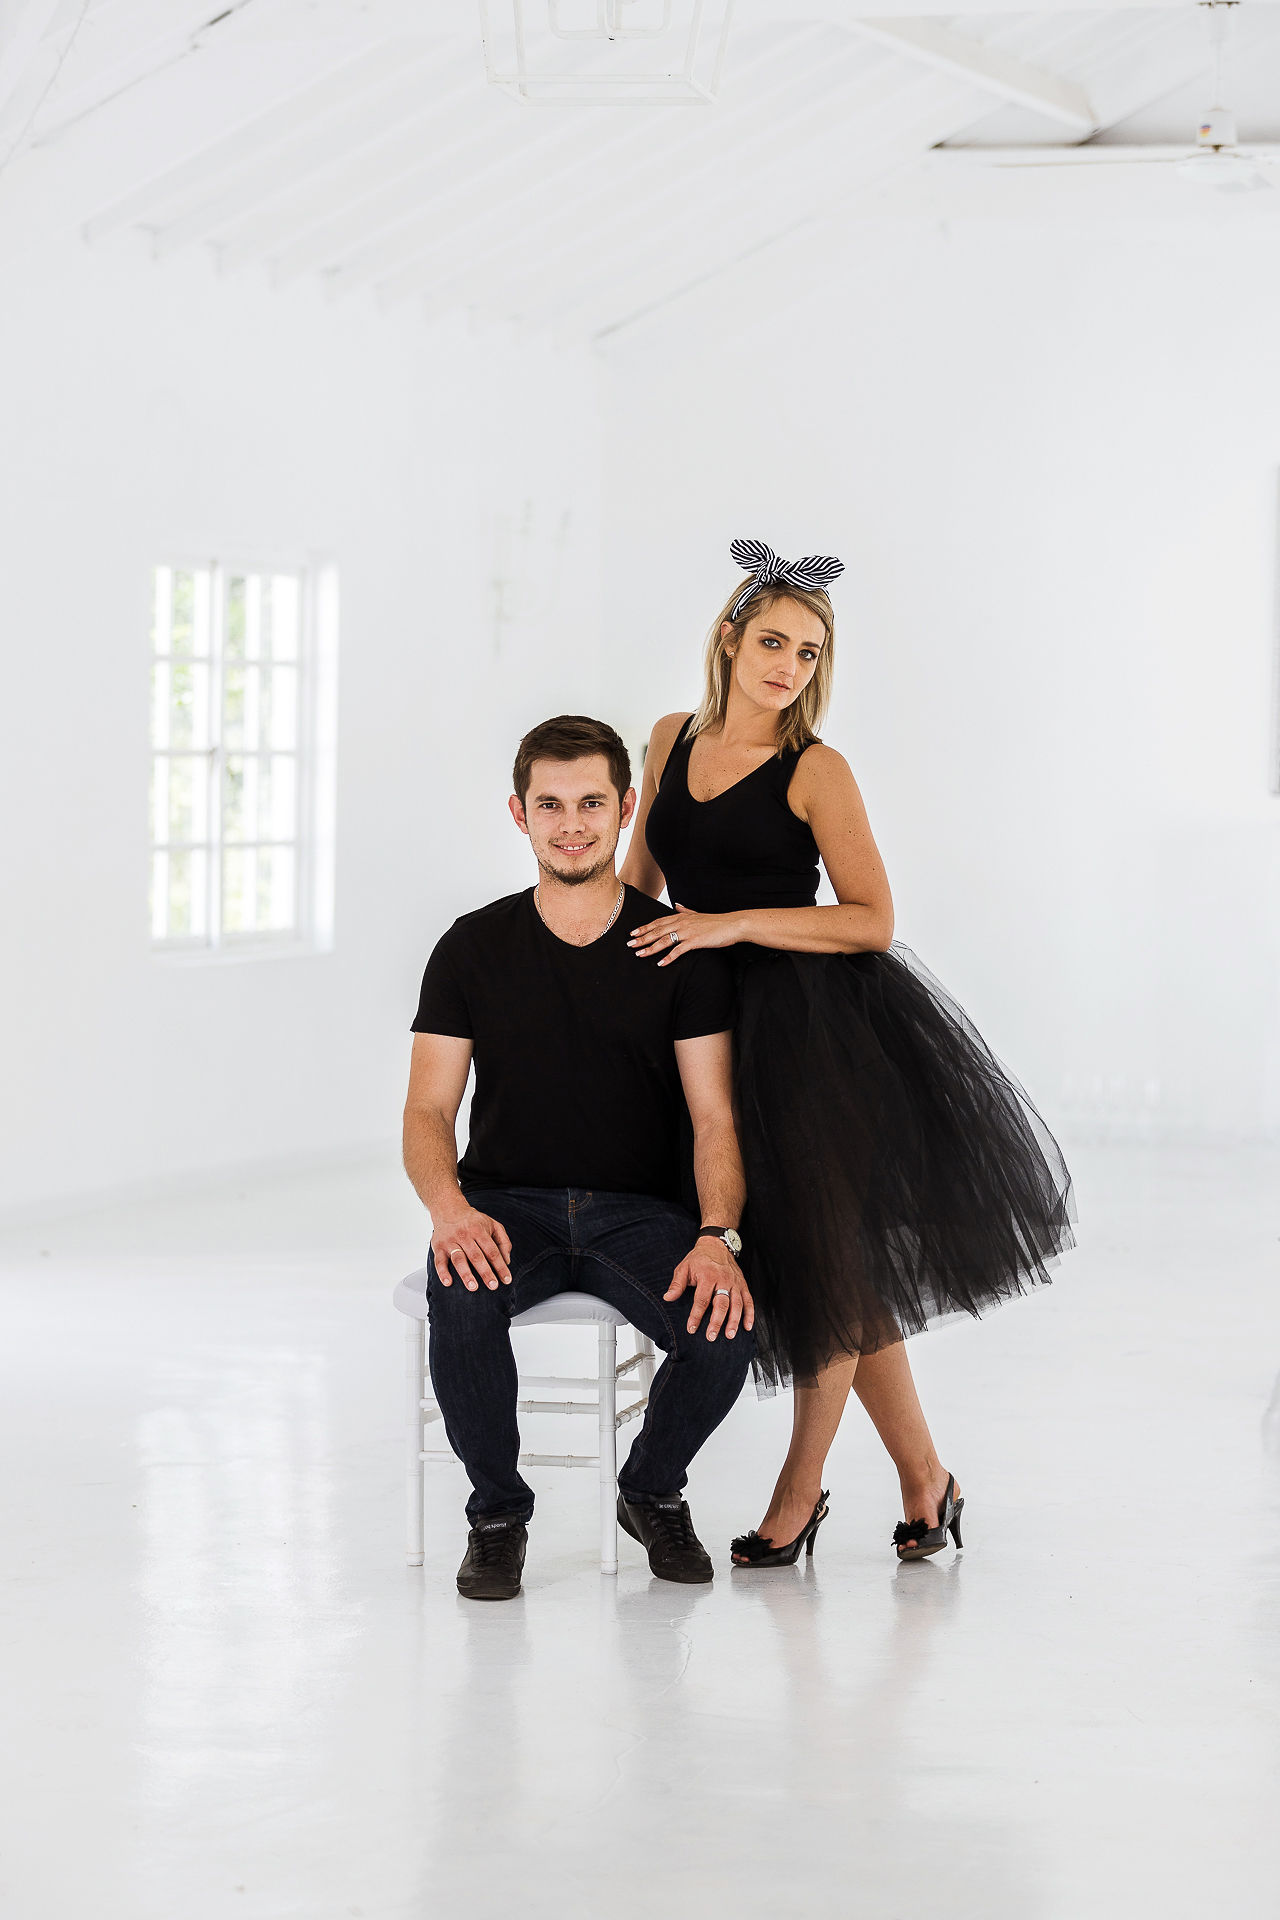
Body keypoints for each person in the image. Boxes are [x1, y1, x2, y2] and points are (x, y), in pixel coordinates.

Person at [620, 538, 1074, 1567]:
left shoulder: (815, 769)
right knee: (843, 1277)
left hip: (809, 1032)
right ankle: (927, 1481)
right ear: (728, 639)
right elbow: (641, 884)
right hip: (700, 1022)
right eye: (772, 642)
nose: (789, 666)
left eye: (809, 652)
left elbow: (871, 919)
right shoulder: (668, 738)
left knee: (821, 1263)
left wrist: (733, 923)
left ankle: (798, 1494)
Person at [402, 713, 755, 1601]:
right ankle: (497, 1516)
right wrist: (449, 1210)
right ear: (519, 814)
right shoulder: (470, 946)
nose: (571, 824)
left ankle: (651, 1488)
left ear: (626, 809)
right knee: (461, 1296)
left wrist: (718, 1233)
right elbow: (428, 1107)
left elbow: (714, 1117)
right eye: (550, 804)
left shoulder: (676, 949)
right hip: (505, 1205)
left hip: (641, 1212)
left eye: (592, 803)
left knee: (727, 1328)